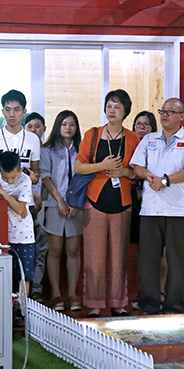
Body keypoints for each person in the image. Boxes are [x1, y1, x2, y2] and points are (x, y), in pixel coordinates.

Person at [130, 98, 184, 315]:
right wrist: (149, 176)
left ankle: (173, 306)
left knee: (176, 261)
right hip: (150, 209)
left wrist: (165, 180)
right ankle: (149, 305)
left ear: (182, 116)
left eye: (170, 111)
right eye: (163, 110)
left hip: (178, 209)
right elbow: (137, 166)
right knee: (148, 261)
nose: (164, 115)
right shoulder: (149, 139)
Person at [75, 89, 140, 318]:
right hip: (94, 201)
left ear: (125, 111)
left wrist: (124, 172)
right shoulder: (92, 134)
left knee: (119, 257)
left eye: (117, 107)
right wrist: (102, 166)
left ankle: (118, 303)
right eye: (109, 106)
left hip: (123, 202)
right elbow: (79, 167)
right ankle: (94, 304)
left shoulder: (133, 138)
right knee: (94, 258)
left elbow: (138, 172)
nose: (112, 110)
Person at [39, 110, 83, 311]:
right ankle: (56, 294)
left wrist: (75, 203)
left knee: (73, 250)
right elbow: (45, 177)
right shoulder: (48, 149)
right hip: (54, 205)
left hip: (76, 207)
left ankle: (72, 294)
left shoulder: (82, 149)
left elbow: (84, 178)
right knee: (55, 250)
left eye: (72, 124)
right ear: (58, 126)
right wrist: (60, 201)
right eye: (64, 124)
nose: (68, 128)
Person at [0, 151, 35, 298]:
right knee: (3, 273)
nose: (9, 181)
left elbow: (20, 209)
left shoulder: (26, 180)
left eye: (13, 177)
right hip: (1, 233)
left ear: (21, 170)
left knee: (24, 275)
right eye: (5, 177)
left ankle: (22, 307)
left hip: (23, 234)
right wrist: (15, 201)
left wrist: (3, 193)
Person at [129, 111, 161, 310]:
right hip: (133, 202)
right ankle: (143, 291)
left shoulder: (158, 145)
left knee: (159, 251)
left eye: (146, 124)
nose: (141, 127)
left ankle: (159, 291)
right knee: (143, 252)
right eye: (138, 124)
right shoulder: (130, 146)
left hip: (158, 201)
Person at [0, 90, 40, 186]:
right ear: (3, 111)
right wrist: (9, 175)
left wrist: (34, 178)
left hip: (25, 191)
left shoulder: (33, 139)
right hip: (0, 191)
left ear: (24, 112)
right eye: (8, 110)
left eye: (16, 110)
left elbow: (36, 171)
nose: (12, 114)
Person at [23, 112, 50, 302]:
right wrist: (34, 197)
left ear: (44, 129)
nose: (34, 130)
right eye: (30, 126)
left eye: (37, 126)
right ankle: (22, 290)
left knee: (42, 251)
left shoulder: (49, 151)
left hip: (47, 208)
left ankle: (37, 290)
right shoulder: (21, 151)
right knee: (25, 251)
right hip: (24, 208)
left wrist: (43, 199)